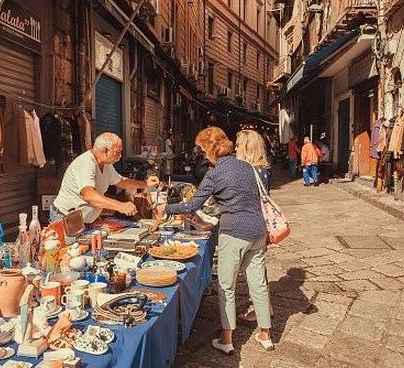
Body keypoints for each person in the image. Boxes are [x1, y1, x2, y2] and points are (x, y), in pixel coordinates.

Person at [156, 127, 274, 353]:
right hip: (258, 232)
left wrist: (165, 208)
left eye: (202, 149)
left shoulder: (215, 173)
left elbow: (191, 205)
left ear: (211, 149)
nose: (201, 153)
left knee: (226, 287)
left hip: (234, 233)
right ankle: (265, 334)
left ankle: (227, 339)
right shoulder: (247, 167)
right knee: (258, 283)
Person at [51, 132, 160, 223]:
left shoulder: (106, 164)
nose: (120, 156)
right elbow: (89, 195)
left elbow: (121, 181)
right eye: (117, 152)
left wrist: (145, 183)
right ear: (105, 151)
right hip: (66, 219)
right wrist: (120, 206)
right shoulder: (86, 163)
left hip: (84, 219)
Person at [234, 129, 274, 324]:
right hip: (261, 223)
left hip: (247, 224)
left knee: (251, 270)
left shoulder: (246, 171)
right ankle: (264, 307)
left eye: (238, 145)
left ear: (246, 148)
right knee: (258, 268)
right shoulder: (263, 170)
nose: (235, 148)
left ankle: (258, 309)